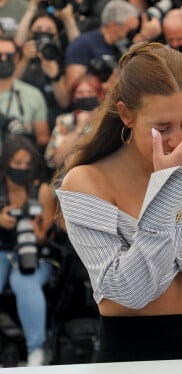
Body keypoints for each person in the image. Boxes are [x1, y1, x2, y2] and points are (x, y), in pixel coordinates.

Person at [56, 42, 182, 363]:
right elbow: (129, 292)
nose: (177, 140)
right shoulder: (86, 182)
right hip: (127, 355)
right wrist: (169, 192)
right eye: (162, 128)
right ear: (126, 115)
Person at [0, 135, 57, 366]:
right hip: (3, 252)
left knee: (25, 282)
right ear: (6, 163)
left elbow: (50, 237)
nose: (22, 169)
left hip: (36, 255)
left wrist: (38, 232)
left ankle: (36, 351)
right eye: (17, 163)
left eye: (26, 164)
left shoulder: (40, 189)